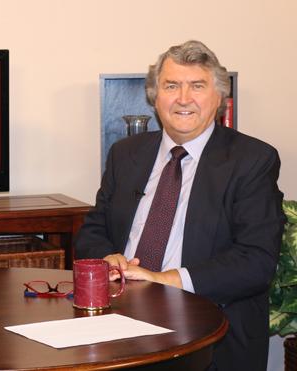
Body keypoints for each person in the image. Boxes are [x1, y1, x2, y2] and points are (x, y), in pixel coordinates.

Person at [75, 40, 285, 371]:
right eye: (172, 86)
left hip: (207, 329)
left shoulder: (252, 160)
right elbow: (93, 229)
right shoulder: (125, 153)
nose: (183, 98)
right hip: (119, 323)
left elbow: (256, 261)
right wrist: (107, 259)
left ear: (219, 99)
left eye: (197, 86)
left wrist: (164, 280)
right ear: (154, 97)